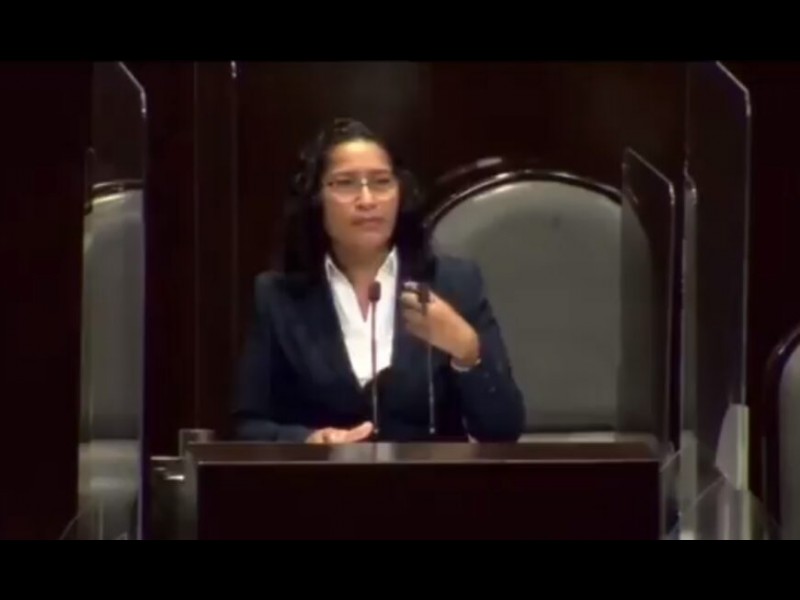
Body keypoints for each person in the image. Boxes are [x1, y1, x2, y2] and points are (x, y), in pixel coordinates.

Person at [233, 118, 525, 444]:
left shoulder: (453, 282)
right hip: (325, 475)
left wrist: (467, 351)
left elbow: (503, 430)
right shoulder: (278, 296)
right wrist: (309, 441)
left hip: (430, 476)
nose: (367, 200)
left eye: (381, 182)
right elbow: (249, 427)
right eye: (346, 184)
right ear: (315, 198)